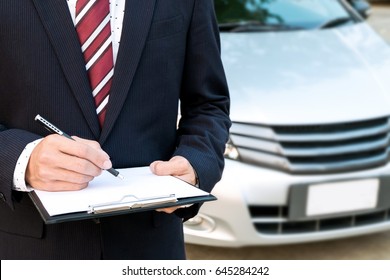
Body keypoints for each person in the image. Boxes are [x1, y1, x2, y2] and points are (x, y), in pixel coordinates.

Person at [0, 0, 230, 259]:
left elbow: (208, 104)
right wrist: (22, 159)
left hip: (151, 246)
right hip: (26, 248)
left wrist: (197, 163)